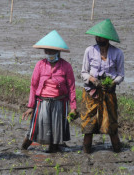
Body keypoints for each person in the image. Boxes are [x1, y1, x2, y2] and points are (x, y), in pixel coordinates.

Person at [21, 30, 77, 153]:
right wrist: (31, 106)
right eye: (47, 51)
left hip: (59, 103)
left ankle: (52, 153)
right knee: (33, 130)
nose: (49, 53)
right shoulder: (40, 65)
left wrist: (73, 107)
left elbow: (71, 87)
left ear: (58, 52)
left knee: (55, 135)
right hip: (42, 102)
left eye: (52, 51)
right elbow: (33, 86)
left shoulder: (66, 66)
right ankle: (22, 149)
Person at [81, 19, 124, 153]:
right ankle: (86, 152)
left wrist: (113, 82)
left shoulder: (117, 53)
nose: (98, 39)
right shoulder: (89, 51)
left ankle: (117, 150)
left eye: (101, 37)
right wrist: (93, 79)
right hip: (91, 93)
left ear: (108, 38)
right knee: (89, 125)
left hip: (108, 93)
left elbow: (121, 74)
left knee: (111, 124)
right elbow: (84, 72)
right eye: (97, 36)